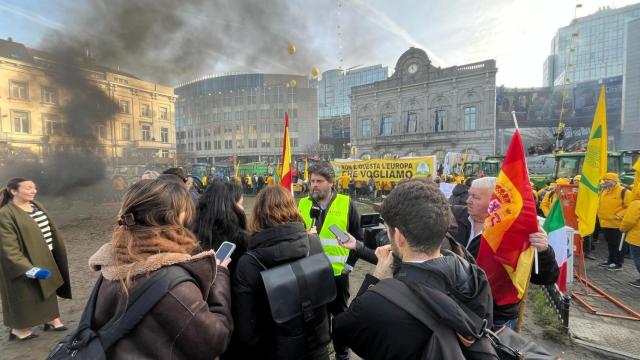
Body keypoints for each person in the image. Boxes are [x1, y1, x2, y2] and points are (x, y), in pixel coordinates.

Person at [334, 179, 494, 359]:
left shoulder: (378, 303)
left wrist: (376, 278)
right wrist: (360, 247)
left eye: (387, 230)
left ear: (400, 237)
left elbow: (344, 329)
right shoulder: (473, 273)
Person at [88, 178, 232, 359]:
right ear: (172, 217)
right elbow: (215, 341)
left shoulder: (111, 266)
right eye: (184, 209)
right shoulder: (172, 283)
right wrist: (219, 279)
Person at [232, 186, 330, 359]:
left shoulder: (249, 263)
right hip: (317, 346)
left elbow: (247, 332)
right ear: (293, 208)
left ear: (258, 214)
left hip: (276, 351)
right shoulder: (313, 243)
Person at [449, 177, 559, 330]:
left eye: (475, 197)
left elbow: (546, 278)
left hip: (495, 319)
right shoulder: (453, 215)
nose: (468, 200)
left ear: (495, 201)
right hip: (455, 309)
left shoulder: (515, 232)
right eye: (469, 195)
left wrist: (543, 251)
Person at [297, 162, 361, 360]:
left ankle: (342, 353)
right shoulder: (303, 204)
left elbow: (358, 238)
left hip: (338, 275)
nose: (314, 185)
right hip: (311, 274)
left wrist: (348, 267)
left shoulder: (346, 203)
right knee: (315, 318)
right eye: (312, 181)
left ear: (331, 183)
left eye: (319, 181)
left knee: (340, 318)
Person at [0, 178, 71, 340]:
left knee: (48, 289)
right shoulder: (5, 214)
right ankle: (19, 329)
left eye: (34, 188)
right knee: (25, 294)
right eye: (28, 188)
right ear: (13, 191)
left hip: (44, 255)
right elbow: (8, 248)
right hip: (22, 262)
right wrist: (29, 269)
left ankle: (52, 320)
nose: (34, 191)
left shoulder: (36, 206)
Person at [193, 179, 248, 271]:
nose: (243, 209)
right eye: (241, 204)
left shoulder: (190, 236)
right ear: (230, 207)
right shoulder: (242, 241)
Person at [598, 173, 632, 271]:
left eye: (608, 179)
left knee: (619, 244)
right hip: (605, 223)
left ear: (615, 181)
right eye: (605, 179)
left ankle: (618, 263)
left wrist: (619, 215)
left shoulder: (624, 192)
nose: (606, 181)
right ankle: (611, 260)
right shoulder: (604, 191)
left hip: (617, 224)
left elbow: (630, 206)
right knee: (610, 244)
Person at [620, 190, 640, 288]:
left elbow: (629, 220)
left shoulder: (636, 203)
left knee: (638, 258)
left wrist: (622, 228)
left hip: (637, 237)